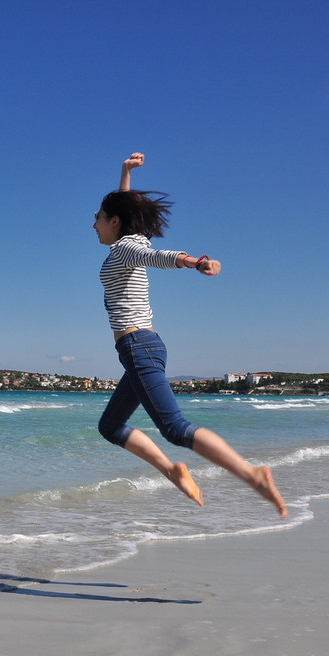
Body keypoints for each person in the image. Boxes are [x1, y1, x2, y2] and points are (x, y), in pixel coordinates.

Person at [94, 152, 287, 518]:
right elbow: (129, 218)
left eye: (98, 219)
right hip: (141, 349)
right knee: (110, 425)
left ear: (114, 222)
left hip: (138, 348)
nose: (94, 226)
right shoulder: (125, 242)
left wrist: (193, 261)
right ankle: (172, 471)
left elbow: (158, 255)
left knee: (175, 428)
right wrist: (124, 173)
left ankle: (252, 474)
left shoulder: (124, 249)